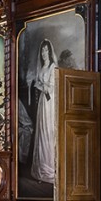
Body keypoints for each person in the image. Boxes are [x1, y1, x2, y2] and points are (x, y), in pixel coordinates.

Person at [28, 39, 58, 184]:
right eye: (42, 50)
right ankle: (41, 168)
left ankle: (50, 168)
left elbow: (51, 88)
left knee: (48, 131)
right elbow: (38, 83)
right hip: (42, 102)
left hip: (49, 101)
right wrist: (38, 85)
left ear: (50, 52)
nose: (44, 53)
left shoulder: (53, 67)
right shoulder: (42, 67)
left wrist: (40, 86)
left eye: (46, 50)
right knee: (41, 131)